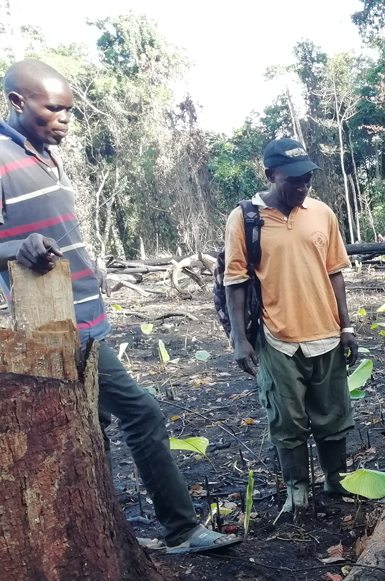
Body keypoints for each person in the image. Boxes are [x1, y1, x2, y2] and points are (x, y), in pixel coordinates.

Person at [0, 59, 239, 553]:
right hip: (55, 328)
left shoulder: (46, 154)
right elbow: (15, 246)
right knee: (143, 414)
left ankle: (105, 542)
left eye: (69, 110)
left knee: (93, 432)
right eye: (53, 108)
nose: (64, 118)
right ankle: (182, 528)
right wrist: (13, 251)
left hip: (89, 319)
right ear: (18, 103)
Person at [225, 138, 358, 520]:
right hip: (277, 337)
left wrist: (346, 326)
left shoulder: (322, 214)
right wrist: (240, 339)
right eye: (294, 180)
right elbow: (235, 283)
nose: (303, 187)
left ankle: (336, 479)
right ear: (271, 175)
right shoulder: (246, 219)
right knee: (287, 419)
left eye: (308, 179)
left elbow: (335, 273)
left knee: (333, 414)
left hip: (327, 333)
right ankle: (297, 489)